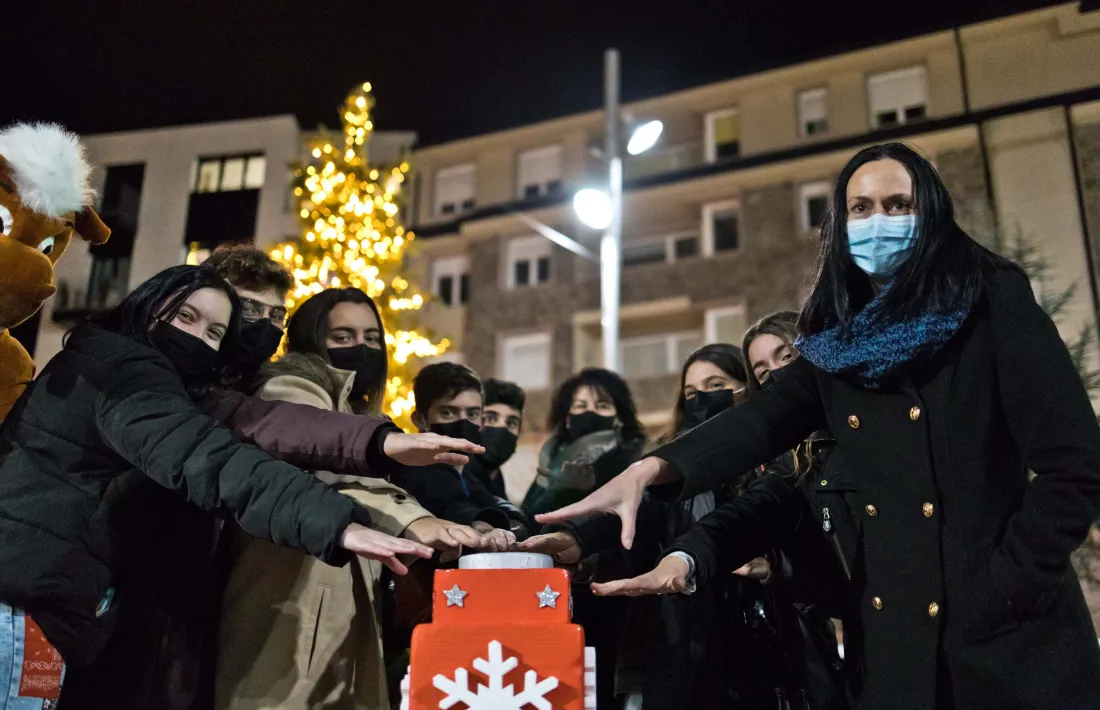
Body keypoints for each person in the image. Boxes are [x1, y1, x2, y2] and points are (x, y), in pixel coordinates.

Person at [540, 142, 1100, 710]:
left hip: (1009, 646)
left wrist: (1005, 586)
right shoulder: (840, 345)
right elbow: (761, 420)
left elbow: (1075, 466)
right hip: (898, 646)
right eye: (860, 208)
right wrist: (651, 469)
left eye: (897, 203)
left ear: (930, 212)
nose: (877, 221)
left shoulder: (992, 302)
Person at [59, 251, 483, 710]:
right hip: (110, 597)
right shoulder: (137, 376)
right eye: (246, 310)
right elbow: (249, 454)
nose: (261, 323)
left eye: (274, 313)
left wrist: (380, 442)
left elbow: (271, 425)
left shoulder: (218, 390)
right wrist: (352, 513)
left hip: (180, 607)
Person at [523, 346, 845, 709]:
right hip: (684, 651)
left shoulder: (787, 465)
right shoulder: (669, 467)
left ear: (748, 391)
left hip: (771, 656)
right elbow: (636, 512)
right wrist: (574, 538)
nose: (702, 399)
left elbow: (818, 558)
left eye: (716, 384)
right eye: (691, 393)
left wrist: (774, 569)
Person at [216, 287, 485, 710]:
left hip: (334, 612)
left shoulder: (362, 416)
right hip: (291, 610)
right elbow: (334, 470)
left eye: (372, 338)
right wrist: (417, 523)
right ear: (310, 338)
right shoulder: (287, 388)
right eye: (342, 337)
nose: (361, 348)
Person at [391, 363, 529, 541]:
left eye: (472, 414)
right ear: (420, 419)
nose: (463, 423)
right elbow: (446, 502)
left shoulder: (464, 470)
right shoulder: (413, 466)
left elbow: (491, 501)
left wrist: (513, 520)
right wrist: (478, 524)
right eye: (448, 412)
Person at [466, 378, 526, 500]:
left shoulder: (496, 481)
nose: (502, 427)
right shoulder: (452, 481)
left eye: (511, 423)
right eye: (491, 418)